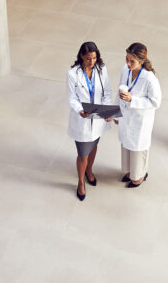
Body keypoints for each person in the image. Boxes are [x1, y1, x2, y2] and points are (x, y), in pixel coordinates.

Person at [67, 41, 112, 201]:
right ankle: (81, 182)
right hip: (83, 119)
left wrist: (106, 111)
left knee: (93, 146)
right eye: (88, 58)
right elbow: (72, 98)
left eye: (94, 58)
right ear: (81, 56)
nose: (92, 62)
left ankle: (89, 171)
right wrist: (80, 110)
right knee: (82, 154)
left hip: (98, 118)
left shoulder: (101, 69)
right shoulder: (73, 74)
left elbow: (107, 92)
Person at [116, 42, 161, 187]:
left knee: (138, 149)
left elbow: (155, 102)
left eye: (132, 61)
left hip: (140, 121)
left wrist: (133, 100)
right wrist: (116, 113)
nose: (128, 64)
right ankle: (130, 172)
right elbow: (119, 90)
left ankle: (139, 176)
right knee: (126, 146)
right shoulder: (125, 70)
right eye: (127, 59)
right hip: (126, 117)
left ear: (141, 61)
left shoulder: (149, 79)